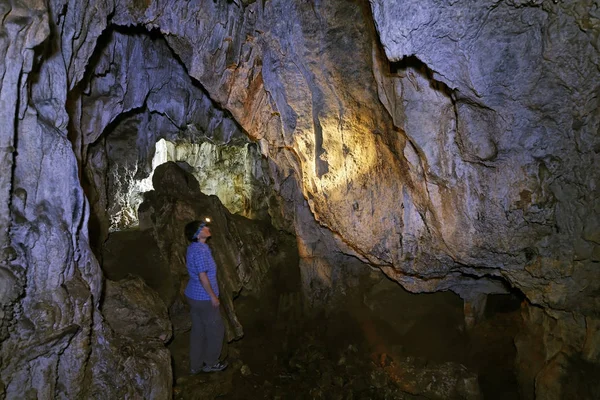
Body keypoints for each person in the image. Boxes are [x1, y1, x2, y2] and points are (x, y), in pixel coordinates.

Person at [184, 219, 227, 374]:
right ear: (197, 234)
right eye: (203, 227)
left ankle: (195, 366)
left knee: (198, 330)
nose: (207, 228)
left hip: (193, 295)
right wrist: (213, 297)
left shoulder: (193, 248)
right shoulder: (201, 251)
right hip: (204, 298)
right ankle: (211, 363)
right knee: (216, 330)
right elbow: (203, 276)